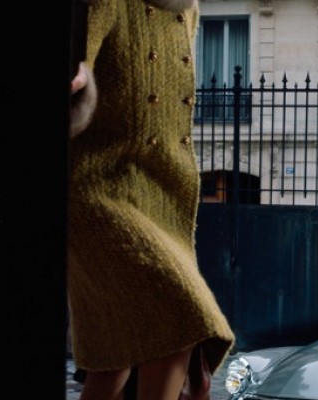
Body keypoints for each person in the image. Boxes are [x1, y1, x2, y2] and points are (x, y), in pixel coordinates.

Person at [68, 0, 235, 399]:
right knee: (181, 318)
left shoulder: (186, 9)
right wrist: (77, 75)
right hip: (98, 188)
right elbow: (79, 61)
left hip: (161, 187)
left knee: (115, 358)